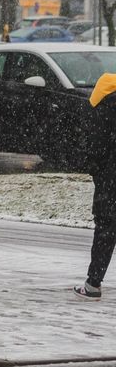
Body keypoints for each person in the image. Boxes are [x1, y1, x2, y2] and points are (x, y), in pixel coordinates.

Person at [74, 73, 116, 300]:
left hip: (110, 181)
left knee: (106, 229)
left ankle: (93, 283)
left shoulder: (102, 109)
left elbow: (94, 149)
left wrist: (97, 170)